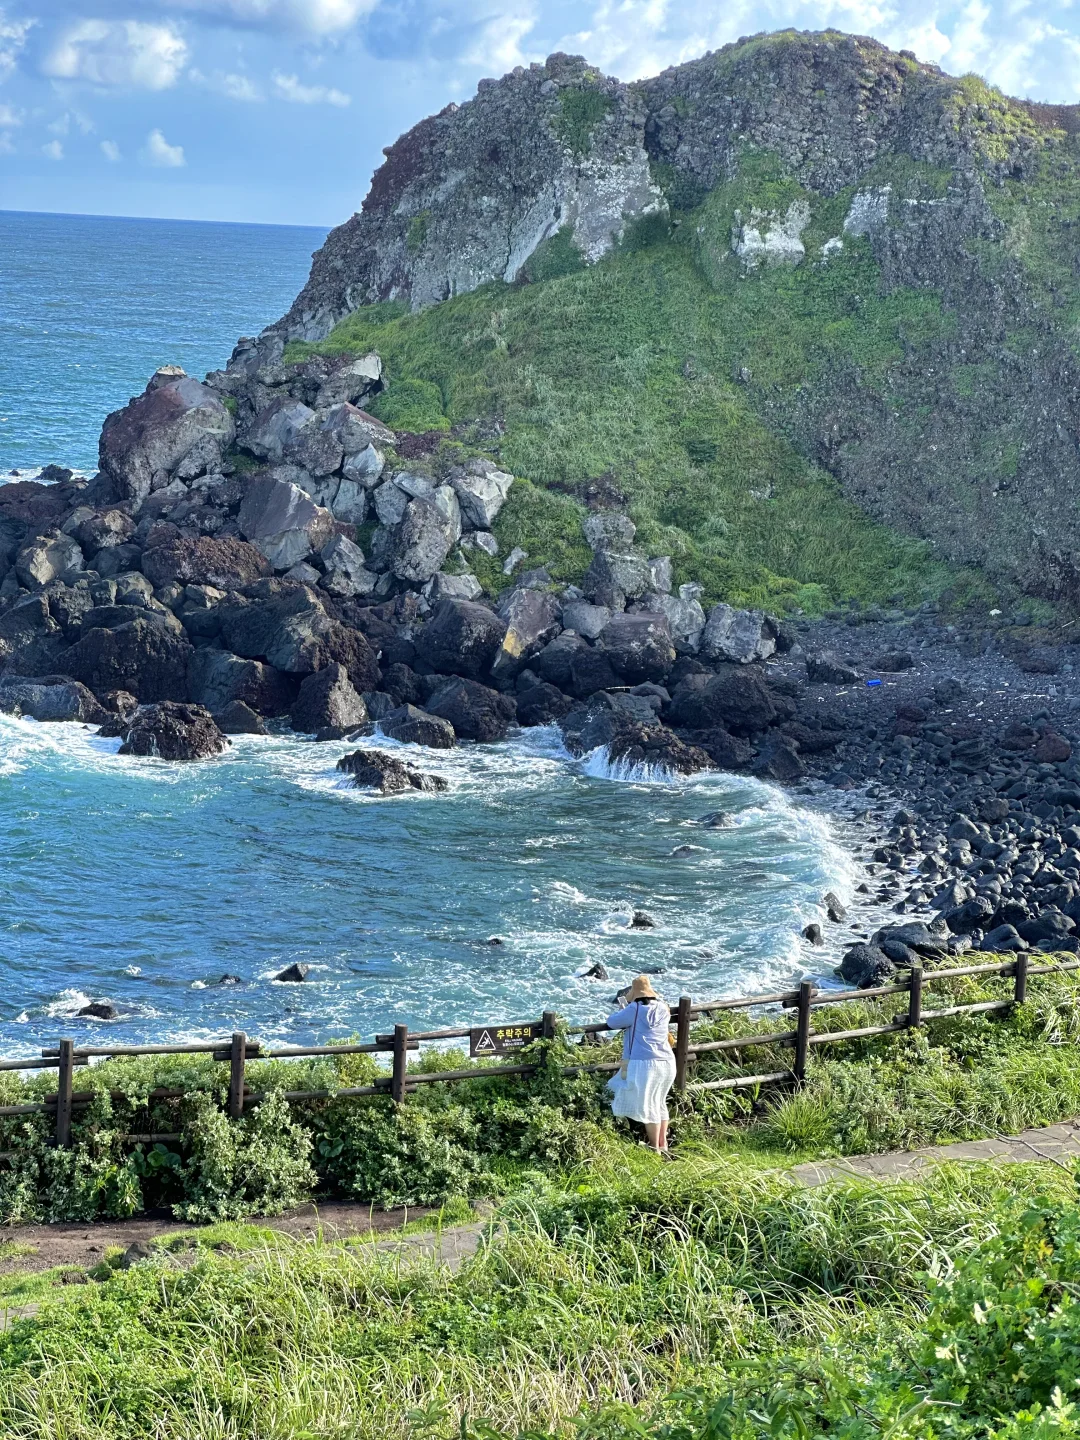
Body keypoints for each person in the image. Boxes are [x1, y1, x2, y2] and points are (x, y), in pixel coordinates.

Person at [606, 975, 676, 1153]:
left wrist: (628, 1006)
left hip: (646, 1064)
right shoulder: (663, 1008)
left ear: (635, 994)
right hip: (667, 1062)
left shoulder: (635, 1009)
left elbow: (612, 1021)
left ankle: (655, 1148)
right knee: (660, 1102)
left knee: (649, 1106)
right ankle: (663, 1145)